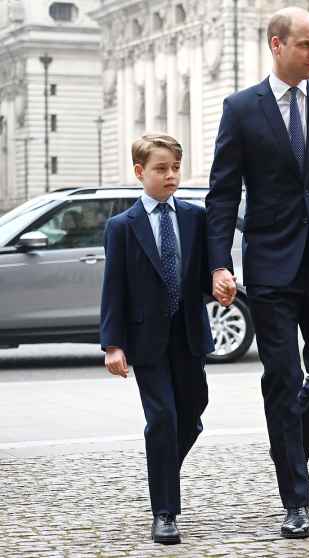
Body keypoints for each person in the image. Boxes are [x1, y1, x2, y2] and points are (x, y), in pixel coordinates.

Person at [205, 7, 309, 538]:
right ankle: (296, 500)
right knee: (281, 377)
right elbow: (222, 194)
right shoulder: (240, 109)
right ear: (277, 45)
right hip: (271, 264)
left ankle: (288, 451)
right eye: (306, 44)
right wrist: (219, 262)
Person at [100, 133, 215, 545]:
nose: (170, 176)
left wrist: (220, 283)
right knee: (162, 419)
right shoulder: (122, 227)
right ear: (139, 172)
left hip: (188, 336)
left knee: (193, 412)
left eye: (175, 169)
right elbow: (113, 288)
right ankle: (165, 512)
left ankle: (161, 468)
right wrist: (113, 344)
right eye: (160, 169)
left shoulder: (194, 218)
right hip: (146, 340)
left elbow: (202, 273)